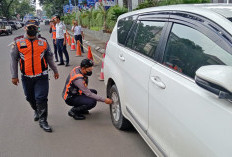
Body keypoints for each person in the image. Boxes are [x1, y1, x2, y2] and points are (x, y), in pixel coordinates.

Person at [10, 19, 59, 132]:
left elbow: (49, 58)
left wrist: (55, 70)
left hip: (41, 76)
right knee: (29, 97)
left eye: (34, 27)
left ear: (38, 28)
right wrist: (14, 76)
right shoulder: (18, 42)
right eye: (29, 27)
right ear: (25, 28)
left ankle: (43, 121)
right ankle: (36, 110)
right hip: (26, 77)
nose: (32, 29)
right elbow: (13, 60)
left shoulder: (43, 42)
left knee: (41, 98)